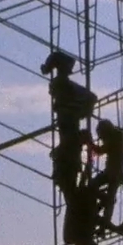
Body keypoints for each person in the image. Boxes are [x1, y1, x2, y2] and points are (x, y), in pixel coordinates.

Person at [42, 50, 97, 194]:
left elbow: (91, 98)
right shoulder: (62, 84)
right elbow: (91, 97)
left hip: (68, 127)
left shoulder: (61, 85)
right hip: (68, 126)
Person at [88, 118, 123, 227]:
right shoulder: (117, 136)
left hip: (113, 173)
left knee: (94, 188)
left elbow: (100, 150)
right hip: (113, 172)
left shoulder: (115, 137)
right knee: (105, 196)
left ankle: (103, 220)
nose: (102, 139)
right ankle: (103, 219)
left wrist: (89, 143)